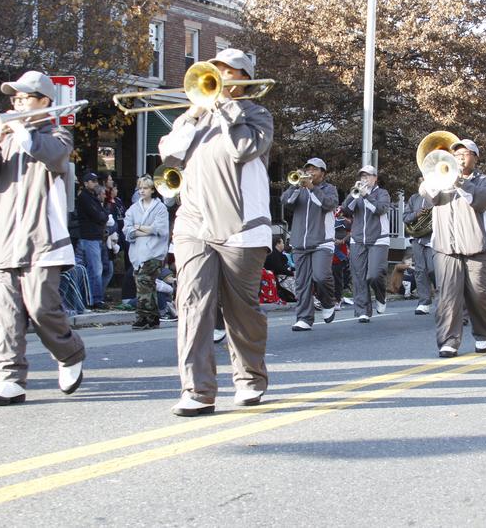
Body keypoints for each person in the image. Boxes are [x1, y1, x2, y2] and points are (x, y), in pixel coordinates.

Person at [158, 48, 273, 416]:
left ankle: (250, 378)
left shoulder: (257, 115)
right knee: (192, 305)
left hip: (242, 228)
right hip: (194, 225)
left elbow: (243, 149)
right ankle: (198, 389)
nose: (221, 77)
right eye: (216, 71)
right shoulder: (194, 118)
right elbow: (169, 155)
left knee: (242, 312)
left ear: (245, 80)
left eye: (230, 72)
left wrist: (226, 110)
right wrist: (193, 113)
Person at [0, 70, 85, 406]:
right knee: (5, 316)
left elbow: (53, 156)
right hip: (3, 239)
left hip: (42, 240)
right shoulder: (2, 139)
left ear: (44, 101)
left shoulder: (59, 135)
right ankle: (9, 378)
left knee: (41, 309)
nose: (16, 103)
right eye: (14, 98)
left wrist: (21, 130)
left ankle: (70, 352)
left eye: (24, 97)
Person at [419, 138, 486, 357]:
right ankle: (449, 341)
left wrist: (460, 182)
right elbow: (428, 195)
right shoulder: (440, 178)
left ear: (476, 157)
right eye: (456, 154)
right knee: (448, 296)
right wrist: (435, 177)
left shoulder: (485, 180)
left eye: (465, 153)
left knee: (479, 295)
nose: (460, 157)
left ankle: (484, 333)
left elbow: (483, 201)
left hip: (479, 248)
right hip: (446, 247)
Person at [281, 157, 339, 331]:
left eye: (315, 169)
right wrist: (295, 186)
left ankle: (328, 302)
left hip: (322, 241)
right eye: (308, 169)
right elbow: (285, 201)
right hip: (300, 242)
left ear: (323, 173)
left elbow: (329, 204)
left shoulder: (329, 189)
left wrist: (312, 188)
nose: (310, 172)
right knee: (302, 283)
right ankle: (304, 318)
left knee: (321, 277)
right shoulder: (300, 188)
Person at [342, 165, 392, 322]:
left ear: (375, 178)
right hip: (357, 239)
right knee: (358, 276)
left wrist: (366, 196)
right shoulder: (357, 193)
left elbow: (380, 209)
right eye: (362, 176)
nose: (365, 179)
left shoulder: (382, 193)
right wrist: (354, 195)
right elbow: (346, 209)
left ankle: (380, 295)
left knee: (375, 274)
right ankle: (362, 310)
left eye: (368, 176)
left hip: (378, 238)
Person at [124, 175, 170, 330]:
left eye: (145, 188)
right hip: (137, 252)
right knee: (145, 283)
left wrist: (138, 227)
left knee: (144, 280)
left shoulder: (160, 208)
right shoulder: (133, 208)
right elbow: (127, 229)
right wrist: (145, 230)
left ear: (152, 190)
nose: (142, 191)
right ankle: (153, 317)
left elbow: (160, 229)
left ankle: (143, 316)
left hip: (154, 251)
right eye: (140, 188)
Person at [403, 176, 435, 315]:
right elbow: (405, 217)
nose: (423, 184)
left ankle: (444, 298)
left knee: (434, 270)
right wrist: (416, 214)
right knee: (420, 270)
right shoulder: (414, 198)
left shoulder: (436, 198)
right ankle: (424, 302)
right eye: (421, 181)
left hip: (433, 239)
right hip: (417, 238)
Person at [75, 171, 107, 308]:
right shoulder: (84, 197)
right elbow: (98, 215)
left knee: (92, 269)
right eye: (92, 181)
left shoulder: (93, 197)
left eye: (96, 181)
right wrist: (103, 216)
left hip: (95, 236)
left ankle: (89, 298)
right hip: (89, 237)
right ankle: (95, 299)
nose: (95, 184)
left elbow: (102, 214)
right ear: (86, 183)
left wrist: (103, 215)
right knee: (95, 269)